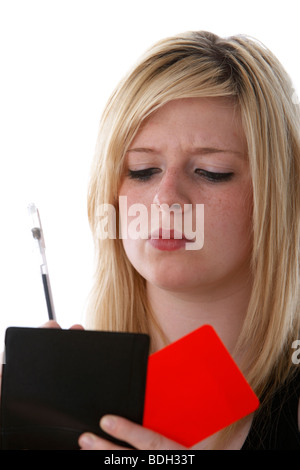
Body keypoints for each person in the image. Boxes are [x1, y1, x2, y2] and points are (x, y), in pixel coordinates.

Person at [1, 30, 299, 450]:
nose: (165, 200)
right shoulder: (48, 411)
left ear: (278, 197)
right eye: (141, 170)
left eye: (212, 172)